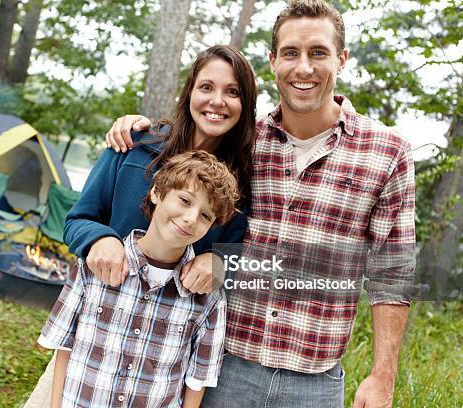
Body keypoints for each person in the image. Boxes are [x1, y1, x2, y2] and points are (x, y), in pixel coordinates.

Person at [105, 1, 416, 407]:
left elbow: (393, 271)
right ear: (273, 61)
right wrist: (136, 126)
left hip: (314, 383)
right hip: (224, 365)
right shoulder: (243, 141)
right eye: (290, 53)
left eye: (317, 52)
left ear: (341, 59)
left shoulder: (388, 152)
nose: (303, 67)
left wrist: (382, 376)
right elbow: (185, 156)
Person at [22, 44, 257, 408]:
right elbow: (77, 220)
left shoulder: (236, 183)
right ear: (190, 91)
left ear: (245, 105)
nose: (217, 101)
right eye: (206, 87)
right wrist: (99, 239)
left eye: (233, 92)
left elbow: (237, 250)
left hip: (156, 368)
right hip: (92, 350)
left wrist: (219, 263)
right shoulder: (134, 144)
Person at [37, 151, 239, 407]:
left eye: (205, 216)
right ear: (157, 192)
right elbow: (64, 347)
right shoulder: (94, 265)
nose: (190, 218)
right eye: (185, 200)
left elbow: (197, 379)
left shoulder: (208, 297)